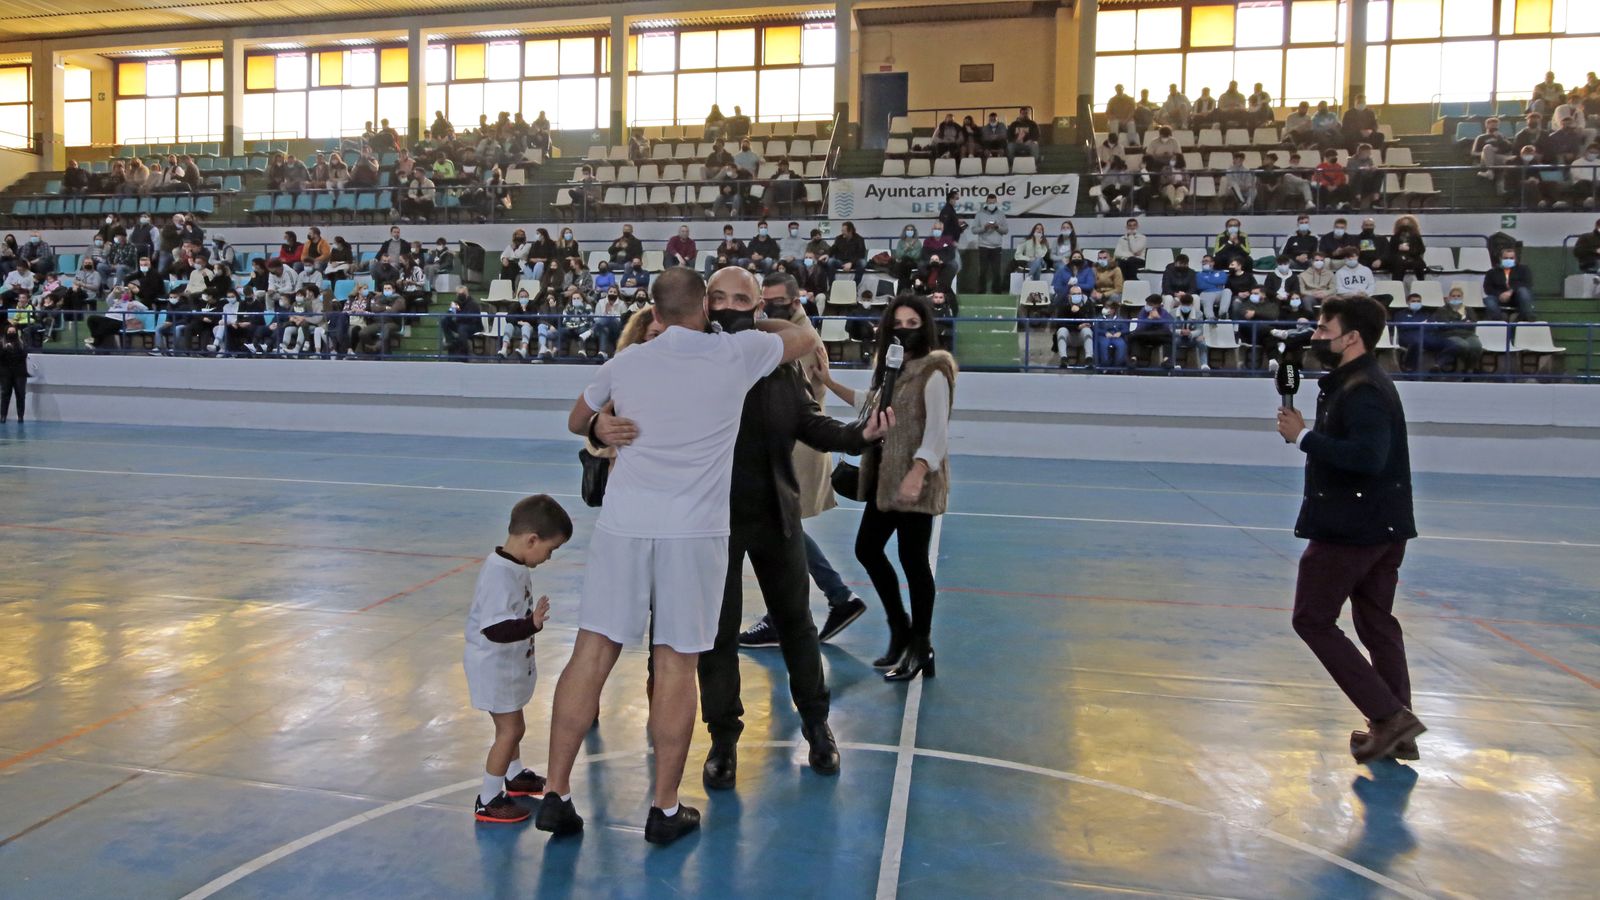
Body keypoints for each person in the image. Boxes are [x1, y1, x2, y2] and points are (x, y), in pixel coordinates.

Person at [539, 268, 821, 845]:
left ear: (655, 312)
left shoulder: (629, 361)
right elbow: (802, 338)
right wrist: (740, 320)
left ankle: (557, 793)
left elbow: (575, 420)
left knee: (591, 652)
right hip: (693, 536)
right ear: (706, 308)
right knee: (676, 663)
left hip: (624, 528)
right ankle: (664, 809)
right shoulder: (735, 354)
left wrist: (599, 423)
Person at [697, 268, 885, 792]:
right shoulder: (693, 362)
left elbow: (809, 423)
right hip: (713, 522)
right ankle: (723, 739)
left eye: (741, 298)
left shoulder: (778, 367)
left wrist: (857, 435)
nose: (729, 307)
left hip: (775, 514)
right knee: (717, 636)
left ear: (760, 309)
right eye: (718, 297)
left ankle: (817, 726)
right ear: (703, 304)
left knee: (797, 625)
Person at [1274, 295, 1426, 764]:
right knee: (1376, 623)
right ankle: (1395, 729)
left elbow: (1366, 457)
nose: (1317, 335)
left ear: (1352, 337)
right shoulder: (1356, 382)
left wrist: (1303, 437)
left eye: (1324, 328)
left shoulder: (1363, 391)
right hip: (1382, 523)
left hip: (1353, 528)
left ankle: (1389, 715)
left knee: (1312, 619)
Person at [817, 294, 954, 679]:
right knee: (868, 549)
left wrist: (917, 474)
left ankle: (920, 645)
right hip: (884, 480)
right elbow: (870, 404)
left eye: (913, 324)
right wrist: (827, 381)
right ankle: (900, 630)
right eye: (899, 323)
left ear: (925, 327)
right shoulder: (891, 368)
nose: (904, 331)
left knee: (913, 563)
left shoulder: (935, 371)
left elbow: (937, 431)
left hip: (915, 482)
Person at [464, 496, 572, 824]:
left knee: (513, 727)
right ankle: (488, 798)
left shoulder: (514, 564)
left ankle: (514, 777)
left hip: (507, 667)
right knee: (509, 731)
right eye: (549, 550)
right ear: (532, 540)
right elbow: (494, 628)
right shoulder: (499, 574)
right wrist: (531, 624)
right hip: (494, 668)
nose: (548, 557)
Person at [1481, 247, 1535, 321]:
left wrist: (1511, 291)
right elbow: (1487, 288)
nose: (1508, 260)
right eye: (1506, 258)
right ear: (1500, 258)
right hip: (1499, 297)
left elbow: (1527, 283)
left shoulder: (1523, 269)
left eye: (1511, 258)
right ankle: (1500, 320)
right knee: (1489, 300)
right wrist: (1500, 294)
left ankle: (1525, 318)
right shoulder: (1492, 272)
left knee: (1523, 291)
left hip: (1517, 297)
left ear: (1515, 259)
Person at [972, 193, 1010, 294]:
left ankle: (997, 292)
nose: (991, 204)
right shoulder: (979, 214)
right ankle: (981, 292)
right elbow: (974, 230)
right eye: (989, 202)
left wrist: (997, 227)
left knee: (996, 271)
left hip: (997, 247)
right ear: (986, 202)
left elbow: (1006, 230)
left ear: (996, 202)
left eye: (993, 202)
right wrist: (984, 227)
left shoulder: (1001, 214)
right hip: (983, 246)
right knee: (982, 271)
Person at [0, 322, 28, 423]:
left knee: (20, 395)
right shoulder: (1, 343)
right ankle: (3, 416)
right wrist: (5, 349)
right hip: (5, 374)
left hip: (19, 373)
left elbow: (24, 355)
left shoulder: (21, 343)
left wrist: (13, 349)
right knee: (5, 394)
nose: (11, 333)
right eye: (9, 332)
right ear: (6, 332)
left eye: (13, 332)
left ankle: (20, 416)